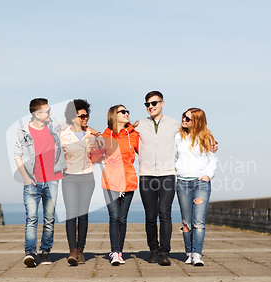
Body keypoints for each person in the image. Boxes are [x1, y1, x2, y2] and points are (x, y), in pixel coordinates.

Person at [14, 98, 66, 267]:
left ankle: (45, 251)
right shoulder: (23, 132)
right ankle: (30, 252)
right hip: (32, 182)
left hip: (52, 181)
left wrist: (94, 133)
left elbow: (76, 125)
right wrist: (26, 178)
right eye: (47, 111)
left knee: (49, 218)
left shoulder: (54, 126)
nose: (50, 114)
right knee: (31, 218)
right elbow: (17, 155)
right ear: (37, 114)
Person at [136, 91, 181, 266]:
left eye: (154, 103)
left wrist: (212, 142)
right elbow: (119, 132)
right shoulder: (139, 125)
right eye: (147, 104)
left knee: (165, 213)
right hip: (146, 175)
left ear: (162, 103)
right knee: (150, 215)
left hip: (167, 174)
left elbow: (193, 134)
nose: (151, 107)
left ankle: (164, 252)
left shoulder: (175, 124)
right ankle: (153, 250)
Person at [93, 105, 139, 266]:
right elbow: (94, 157)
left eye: (128, 112)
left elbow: (146, 151)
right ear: (114, 115)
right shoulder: (105, 135)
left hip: (128, 180)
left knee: (122, 218)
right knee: (114, 216)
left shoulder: (133, 135)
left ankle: (120, 251)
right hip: (110, 181)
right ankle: (115, 252)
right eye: (123, 112)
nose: (127, 114)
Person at [60, 99, 101, 266]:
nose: (85, 118)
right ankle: (72, 250)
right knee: (71, 214)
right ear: (72, 117)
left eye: (87, 115)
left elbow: (103, 149)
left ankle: (81, 251)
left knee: (83, 215)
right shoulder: (63, 135)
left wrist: (95, 133)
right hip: (69, 177)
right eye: (82, 116)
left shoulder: (90, 135)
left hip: (87, 177)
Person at [175, 108, 218, 266]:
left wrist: (207, 175)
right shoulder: (177, 137)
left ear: (197, 121)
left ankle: (197, 254)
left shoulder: (206, 137)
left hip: (201, 183)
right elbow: (172, 156)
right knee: (186, 221)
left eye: (188, 118)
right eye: (183, 117)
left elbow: (212, 159)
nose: (184, 120)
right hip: (182, 182)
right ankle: (189, 252)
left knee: (198, 221)